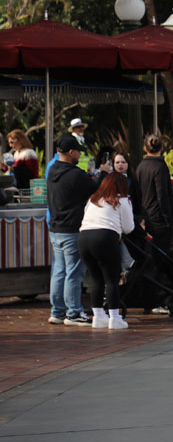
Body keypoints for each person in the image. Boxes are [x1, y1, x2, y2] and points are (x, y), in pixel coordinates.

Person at [47, 134, 98, 326]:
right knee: (74, 272)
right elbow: (96, 189)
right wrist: (101, 172)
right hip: (72, 229)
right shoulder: (76, 174)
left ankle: (57, 311)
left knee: (59, 271)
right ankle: (74, 312)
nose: (79, 155)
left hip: (55, 229)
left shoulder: (52, 171)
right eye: (77, 151)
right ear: (71, 152)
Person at [79, 172, 135, 329]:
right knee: (111, 279)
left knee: (96, 279)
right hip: (105, 237)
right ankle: (115, 319)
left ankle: (98, 317)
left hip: (84, 238)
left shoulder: (93, 199)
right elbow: (129, 228)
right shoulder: (122, 200)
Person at [135, 135, 173, 253]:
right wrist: (169, 220)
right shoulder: (160, 167)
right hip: (160, 219)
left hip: (146, 215)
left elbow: (137, 193)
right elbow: (162, 196)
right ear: (162, 148)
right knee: (162, 256)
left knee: (151, 254)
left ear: (145, 148)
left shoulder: (140, 167)